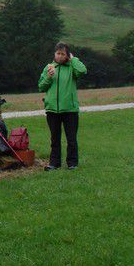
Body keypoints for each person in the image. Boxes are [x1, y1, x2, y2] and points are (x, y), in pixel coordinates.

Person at [38, 42, 87, 170]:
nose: (60, 56)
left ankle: (72, 163)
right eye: (58, 53)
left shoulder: (72, 67)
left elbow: (83, 71)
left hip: (70, 109)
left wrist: (73, 59)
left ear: (67, 55)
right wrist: (49, 77)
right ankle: (54, 163)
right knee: (55, 139)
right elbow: (41, 86)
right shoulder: (48, 67)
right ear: (54, 54)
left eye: (63, 54)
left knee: (71, 139)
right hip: (52, 109)